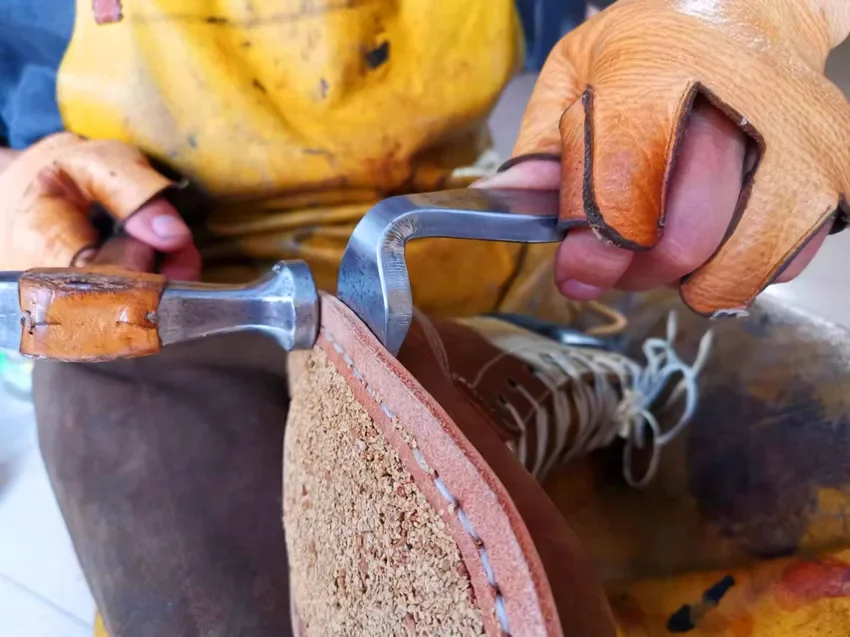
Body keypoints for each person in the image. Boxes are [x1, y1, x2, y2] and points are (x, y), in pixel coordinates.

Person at [2, 0, 849, 635]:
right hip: (183, 291)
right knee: (126, 438)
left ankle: (547, 373)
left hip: (493, 249)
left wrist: (746, 17)